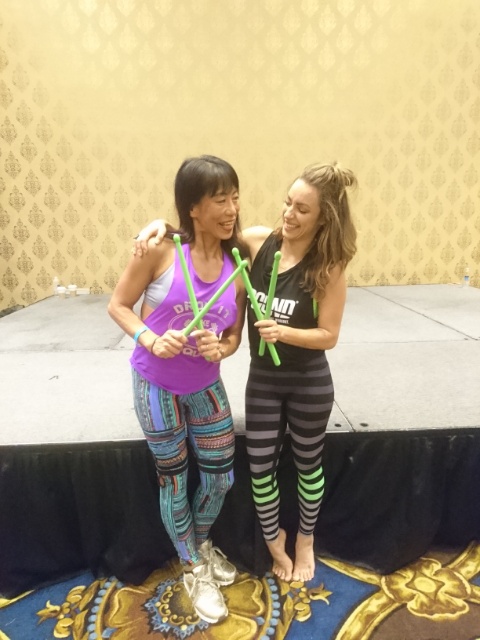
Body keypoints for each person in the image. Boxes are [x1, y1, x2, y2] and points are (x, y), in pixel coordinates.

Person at [133, 161, 358, 584]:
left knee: (308, 465)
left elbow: (329, 335)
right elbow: (201, 232)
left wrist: (285, 333)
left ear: (323, 218)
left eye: (302, 209)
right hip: (263, 381)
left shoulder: (328, 266)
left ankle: (305, 541)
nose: (288, 214)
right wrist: (160, 226)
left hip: (308, 381)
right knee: (258, 469)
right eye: (288, 203)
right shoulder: (257, 242)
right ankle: (274, 542)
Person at [108, 155, 247, 624]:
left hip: (205, 386)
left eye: (235, 197)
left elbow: (234, 336)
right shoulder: (160, 252)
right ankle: (192, 567)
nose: (231, 209)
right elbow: (119, 305)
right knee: (174, 478)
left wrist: (222, 348)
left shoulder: (238, 262)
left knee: (220, 478)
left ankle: (199, 543)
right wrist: (149, 338)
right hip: (156, 386)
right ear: (193, 207)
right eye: (220, 200)